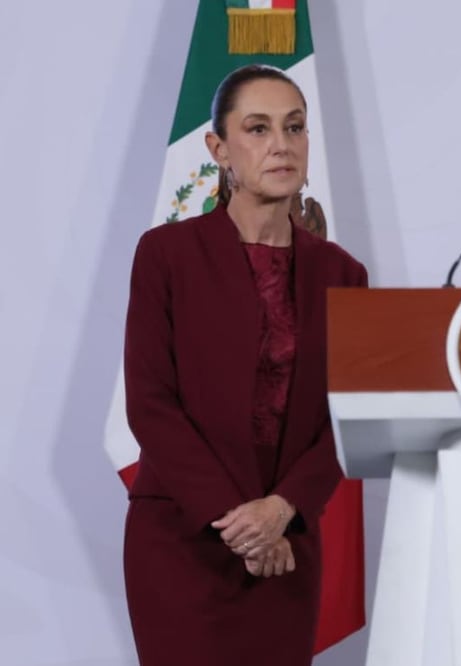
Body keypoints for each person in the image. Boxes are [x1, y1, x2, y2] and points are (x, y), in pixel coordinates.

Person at [121, 63, 368, 664]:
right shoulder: (166, 254)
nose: (281, 144)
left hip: (288, 542)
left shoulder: (342, 273)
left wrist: (280, 512)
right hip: (183, 535)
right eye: (258, 129)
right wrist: (242, 524)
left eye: (295, 127)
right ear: (219, 149)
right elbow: (151, 405)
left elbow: (346, 416)